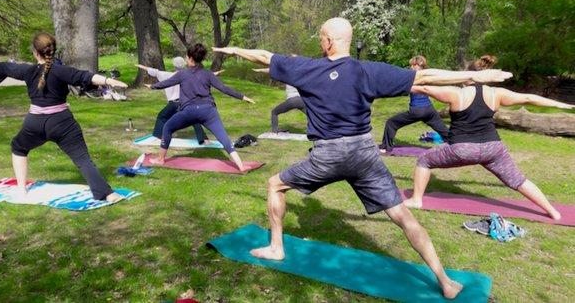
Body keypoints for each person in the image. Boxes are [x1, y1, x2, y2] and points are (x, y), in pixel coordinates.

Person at [213, 17, 513, 300]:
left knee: (274, 185)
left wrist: (232, 49)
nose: (320, 42)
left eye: (321, 38)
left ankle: (276, 247)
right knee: (401, 216)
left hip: (328, 156)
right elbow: (426, 75)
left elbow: (263, 56)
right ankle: (445, 283)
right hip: (364, 154)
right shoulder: (369, 70)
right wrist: (475, 75)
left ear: (328, 40)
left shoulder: (306, 68)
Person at [402, 55, 572, 220]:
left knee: (424, 160)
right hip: (493, 150)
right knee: (519, 180)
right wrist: (559, 104)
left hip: (463, 150)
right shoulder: (496, 93)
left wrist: (393, 83)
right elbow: (527, 98)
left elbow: (424, 88)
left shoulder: (456, 93)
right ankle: (552, 211)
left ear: (469, 75)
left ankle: (417, 200)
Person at [0, 33, 127, 202]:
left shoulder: (27, 71)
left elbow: (3, 68)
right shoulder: (61, 71)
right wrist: (108, 80)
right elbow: (84, 76)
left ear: (35, 52)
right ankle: (107, 194)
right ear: (53, 51)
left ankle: (21, 191)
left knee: (18, 147)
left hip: (35, 123)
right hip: (62, 123)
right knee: (82, 158)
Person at [146, 43, 255, 172]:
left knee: (167, 127)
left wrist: (152, 86)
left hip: (189, 112)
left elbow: (166, 83)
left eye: (186, 57)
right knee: (223, 137)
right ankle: (241, 166)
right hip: (208, 111)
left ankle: (160, 159)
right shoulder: (208, 74)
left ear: (190, 58)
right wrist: (242, 97)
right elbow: (223, 88)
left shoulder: (182, 74)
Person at [136, 56, 221, 144]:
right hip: (186, 103)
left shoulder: (166, 75)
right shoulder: (189, 75)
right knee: (194, 120)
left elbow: (154, 72)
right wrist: (215, 73)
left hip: (174, 104)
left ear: (174, 65)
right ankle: (204, 139)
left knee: (162, 116)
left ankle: (158, 137)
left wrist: (141, 66)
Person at [380, 55, 449, 153]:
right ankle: (456, 144)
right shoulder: (428, 75)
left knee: (391, 123)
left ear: (416, 64)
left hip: (417, 110)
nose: (410, 67)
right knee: (444, 130)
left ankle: (386, 147)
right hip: (429, 110)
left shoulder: (412, 76)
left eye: (412, 65)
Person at [252, 67, 306, 133]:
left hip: (292, 101)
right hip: (301, 101)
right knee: (312, 116)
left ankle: (275, 130)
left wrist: (260, 70)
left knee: (274, 112)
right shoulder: (302, 75)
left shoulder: (287, 74)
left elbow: (272, 71)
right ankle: (319, 130)